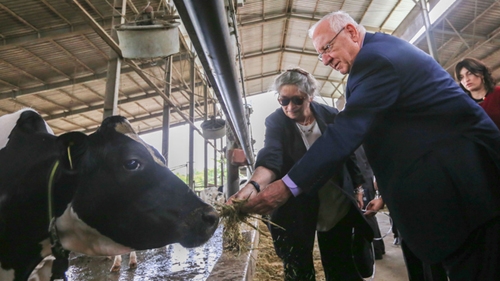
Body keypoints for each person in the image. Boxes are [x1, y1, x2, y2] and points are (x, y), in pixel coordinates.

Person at [231, 10, 500, 280]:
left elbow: (345, 135)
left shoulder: (376, 61)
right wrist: (256, 184)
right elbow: (274, 153)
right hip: (437, 194)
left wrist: (288, 186)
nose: (324, 60)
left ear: (350, 32)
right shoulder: (374, 57)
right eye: (319, 54)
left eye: (327, 48)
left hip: (463, 190)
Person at [231, 67, 374, 280]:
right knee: (297, 266)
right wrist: (253, 185)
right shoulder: (276, 121)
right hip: (296, 202)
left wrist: (359, 186)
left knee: (340, 262)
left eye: (297, 100)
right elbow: (272, 157)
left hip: (334, 199)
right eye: (283, 100)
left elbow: (350, 155)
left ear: (310, 96)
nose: (290, 107)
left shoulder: (332, 116)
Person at [353, 145, 385, 260]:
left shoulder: (356, 144)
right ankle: (379, 248)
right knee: (369, 215)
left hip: (364, 183)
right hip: (366, 181)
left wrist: (358, 186)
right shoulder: (360, 141)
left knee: (367, 215)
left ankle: (375, 251)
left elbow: (360, 165)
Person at [455, 57, 500, 129]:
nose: (466, 79)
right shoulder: (463, 105)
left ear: (481, 74)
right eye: (461, 77)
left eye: (469, 73)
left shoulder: (498, 93)